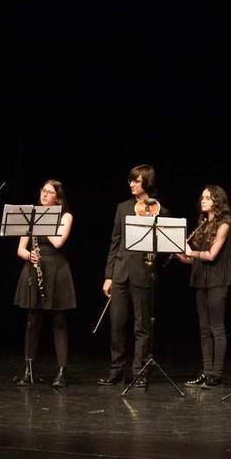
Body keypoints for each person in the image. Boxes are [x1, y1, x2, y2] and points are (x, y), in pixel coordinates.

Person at [98, 164, 163, 388]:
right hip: (120, 272)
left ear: (146, 182)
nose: (131, 184)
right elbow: (115, 242)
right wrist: (109, 275)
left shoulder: (158, 208)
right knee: (117, 323)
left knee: (141, 326)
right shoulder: (122, 207)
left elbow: (163, 242)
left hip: (143, 272)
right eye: (131, 180)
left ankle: (140, 372)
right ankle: (116, 370)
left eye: (136, 180)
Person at [13, 180, 76, 388]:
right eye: (43, 190)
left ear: (57, 197)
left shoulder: (65, 216)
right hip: (34, 266)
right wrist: (28, 254)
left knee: (59, 321)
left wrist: (40, 224)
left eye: (49, 192)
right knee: (32, 321)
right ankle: (28, 369)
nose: (45, 194)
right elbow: (21, 249)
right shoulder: (30, 215)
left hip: (57, 269)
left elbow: (58, 242)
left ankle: (61, 370)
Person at [176, 185, 231, 388]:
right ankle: (207, 371)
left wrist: (190, 252)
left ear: (217, 202)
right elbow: (195, 259)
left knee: (217, 328)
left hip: (218, 280)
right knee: (203, 329)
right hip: (201, 279)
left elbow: (211, 255)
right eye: (202, 197)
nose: (203, 201)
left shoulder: (224, 225)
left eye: (208, 198)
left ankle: (216, 374)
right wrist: (180, 252)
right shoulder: (202, 224)